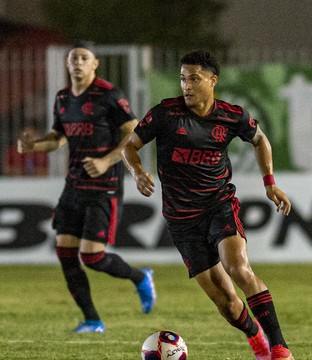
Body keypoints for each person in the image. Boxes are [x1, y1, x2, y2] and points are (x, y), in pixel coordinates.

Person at [121, 50, 294, 360]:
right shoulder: (165, 114)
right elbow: (130, 146)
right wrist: (136, 171)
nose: (187, 86)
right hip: (181, 220)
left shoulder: (231, 116)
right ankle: (256, 339)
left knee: (238, 267)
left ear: (212, 81)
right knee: (226, 302)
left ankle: (280, 348)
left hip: (219, 205)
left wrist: (270, 183)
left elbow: (260, 140)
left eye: (195, 79)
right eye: (183, 79)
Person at [17, 41, 156, 334]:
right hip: (73, 185)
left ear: (95, 64)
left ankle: (140, 278)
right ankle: (93, 320)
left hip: (103, 186)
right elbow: (58, 137)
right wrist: (34, 146)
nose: (78, 62)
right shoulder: (63, 97)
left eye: (84, 58)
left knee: (92, 257)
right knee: (65, 253)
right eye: (73, 58)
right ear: (68, 65)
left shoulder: (109, 94)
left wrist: (106, 161)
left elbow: (133, 134)